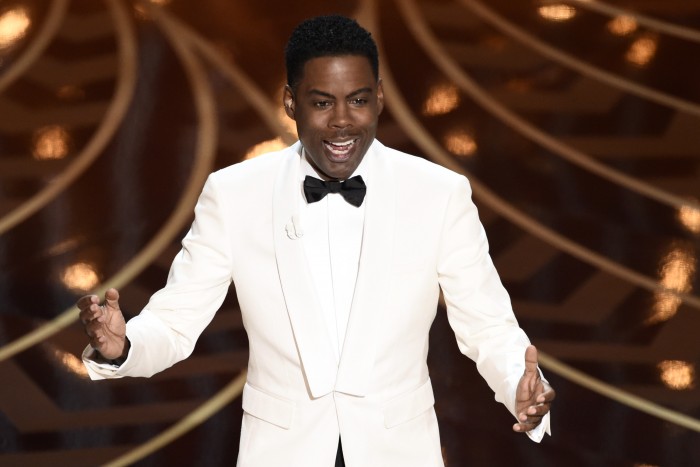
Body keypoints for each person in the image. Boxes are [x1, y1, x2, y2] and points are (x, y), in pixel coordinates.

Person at [79, 15, 554, 467]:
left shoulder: (439, 194)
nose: (343, 121)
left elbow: (488, 325)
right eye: (322, 102)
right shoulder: (234, 194)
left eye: (359, 100)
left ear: (381, 99)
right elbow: (175, 323)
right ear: (291, 103)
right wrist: (122, 347)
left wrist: (519, 385)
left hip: (398, 451)